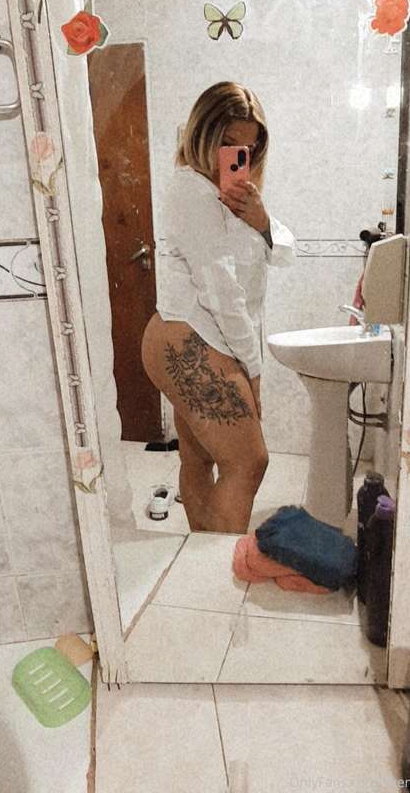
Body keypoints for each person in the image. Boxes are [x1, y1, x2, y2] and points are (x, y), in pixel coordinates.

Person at [141, 81, 295, 534]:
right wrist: (254, 370)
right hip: (192, 334)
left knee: (197, 456)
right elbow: (221, 290)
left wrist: (262, 221)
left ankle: (201, 552)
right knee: (249, 461)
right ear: (202, 132)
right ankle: (216, 564)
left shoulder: (235, 197)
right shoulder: (192, 191)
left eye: (249, 147)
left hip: (200, 335)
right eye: (228, 142)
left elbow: (285, 253)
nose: (238, 155)